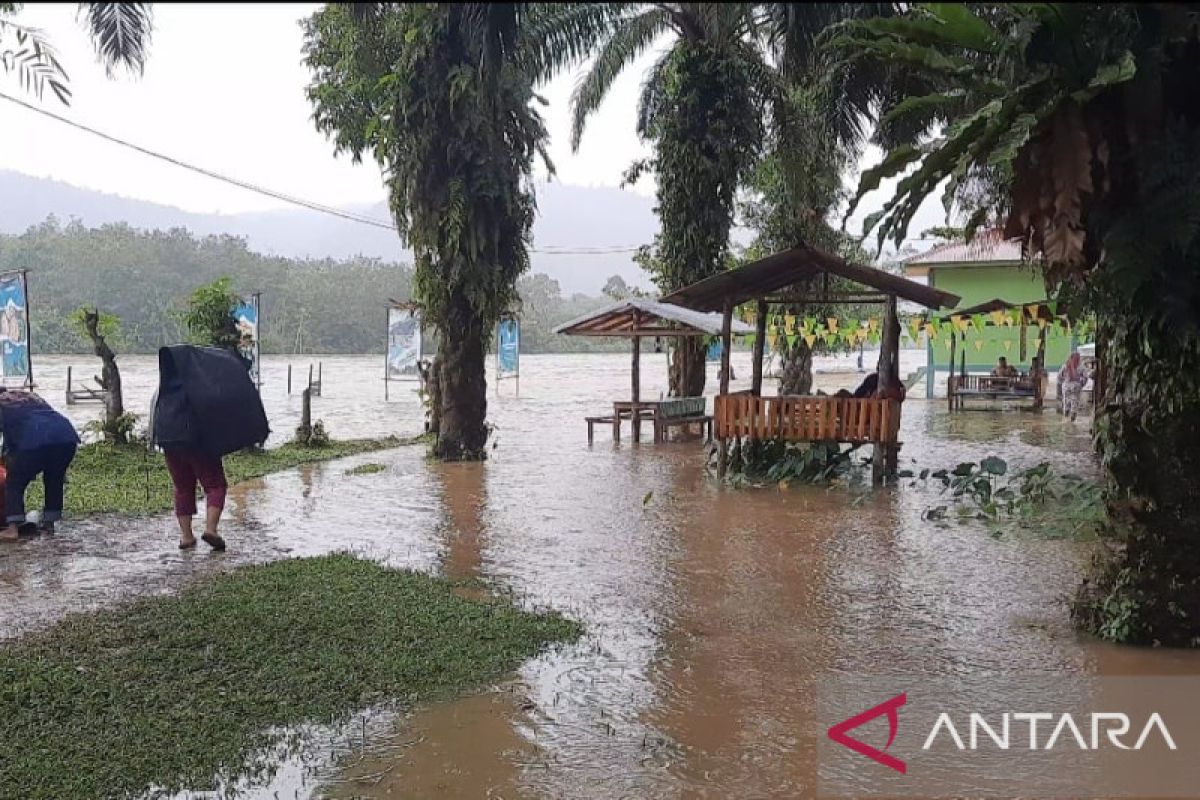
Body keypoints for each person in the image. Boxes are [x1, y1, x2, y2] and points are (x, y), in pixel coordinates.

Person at [0, 388, 79, 542]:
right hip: (66, 436)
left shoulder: (2, 403)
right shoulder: (29, 396)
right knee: (54, 480)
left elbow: (9, 437)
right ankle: (49, 524)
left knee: (14, 482)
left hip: (35, 439)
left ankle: (12, 529)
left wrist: (10, 458)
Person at [1059, 352, 1089, 421]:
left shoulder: (1066, 365)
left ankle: (1068, 419)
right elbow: (1086, 377)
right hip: (1073, 386)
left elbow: (1060, 376)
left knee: (1069, 402)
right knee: (1072, 402)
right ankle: (1070, 419)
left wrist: (1064, 382)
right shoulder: (1080, 367)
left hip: (1070, 386)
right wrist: (1081, 383)